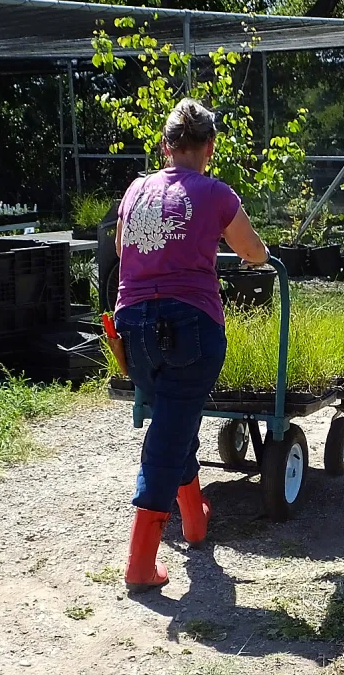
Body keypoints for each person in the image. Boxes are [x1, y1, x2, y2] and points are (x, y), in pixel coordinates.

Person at [113, 98, 269, 592]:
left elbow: (123, 249)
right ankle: (140, 563)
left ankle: (195, 520)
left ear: (166, 146)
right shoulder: (217, 193)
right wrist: (251, 257)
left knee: (172, 419)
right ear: (210, 148)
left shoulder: (137, 190)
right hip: (190, 327)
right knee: (168, 435)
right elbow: (252, 252)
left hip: (132, 327)